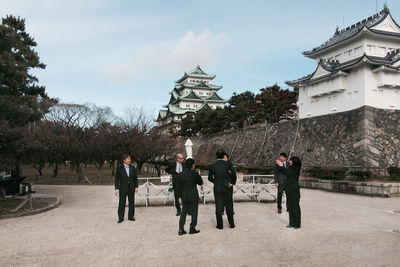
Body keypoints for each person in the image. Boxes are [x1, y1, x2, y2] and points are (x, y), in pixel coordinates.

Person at [208, 150, 237, 229]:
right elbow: (234, 173)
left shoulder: (212, 166)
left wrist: (216, 182)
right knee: (229, 205)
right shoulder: (228, 164)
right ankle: (231, 224)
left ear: (216, 156)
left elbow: (210, 178)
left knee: (218, 206)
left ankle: (220, 225)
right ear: (223, 156)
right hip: (227, 186)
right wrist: (232, 182)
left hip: (217, 187)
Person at [176, 158, 203, 235]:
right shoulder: (194, 174)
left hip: (184, 195)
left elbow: (179, 187)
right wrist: (199, 174)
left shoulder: (181, 174)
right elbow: (200, 183)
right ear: (192, 166)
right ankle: (192, 228)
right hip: (193, 195)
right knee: (194, 212)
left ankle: (181, 229)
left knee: (183, 212)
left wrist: (180, 196)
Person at [275, 156, 302, 229]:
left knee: (295, 206)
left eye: (290, 160)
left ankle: (297, 224)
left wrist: (281, 165)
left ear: (294, 161)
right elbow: (284, 171)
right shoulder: (290, 168)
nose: (289, 161)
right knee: (290, 206)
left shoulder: (296, 169)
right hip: (289, 189)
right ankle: (291, 223)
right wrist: (280, 166)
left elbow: (287, 172)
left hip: (294, 190)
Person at [115, 154, 138, 223]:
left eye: (130, 159)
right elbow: (117, 179)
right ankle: (120, 217)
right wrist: (116, 189)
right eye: (128, 159)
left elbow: (135, 178)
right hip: (123, 188)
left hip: (131, 188)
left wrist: (136, 186)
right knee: (122, 203)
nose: (130, 160)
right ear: (124, 160)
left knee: (131, 202)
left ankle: (131, 216)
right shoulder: (119, 168)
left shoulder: (133, 167)